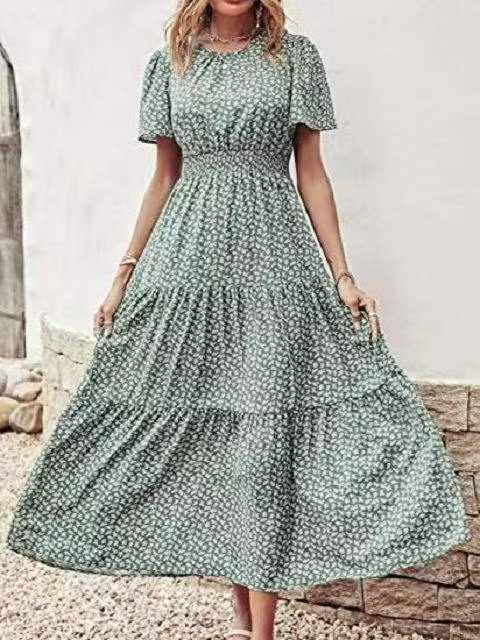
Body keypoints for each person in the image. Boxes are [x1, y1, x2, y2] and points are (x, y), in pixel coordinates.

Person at [7, 2, 470, 640]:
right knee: (220, 439)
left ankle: (262, 632)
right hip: (189, 265)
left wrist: (342, 275)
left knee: (263, 436)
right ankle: (242, 616)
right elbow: (163, 177)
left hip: (274, 263)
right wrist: (123, 274)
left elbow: (312, 174)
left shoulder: (294, 58)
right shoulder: (171, 62)